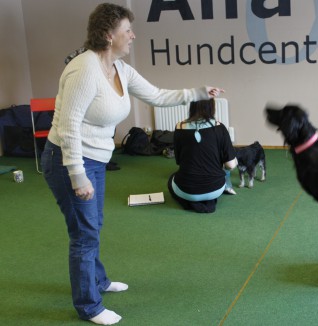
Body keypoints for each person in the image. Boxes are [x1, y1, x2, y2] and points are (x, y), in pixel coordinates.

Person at [41, 3, 224, 325]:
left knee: (91, 227)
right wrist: (77, 175)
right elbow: (68, 126)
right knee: (84, 234)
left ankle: (97, 282)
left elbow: (156, 95)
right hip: (68, 159)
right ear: (109, 35)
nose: (133, 36)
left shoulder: (121, 70)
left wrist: (198, 92)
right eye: (128, 30)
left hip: (94, 158)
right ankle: (89, 306)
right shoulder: (85, 70)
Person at [168, 99, 237, 213]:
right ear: (212, 107)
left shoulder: (179, 127)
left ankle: (193, 202)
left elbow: (179, 161)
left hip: (187, 190)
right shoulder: (220, 127)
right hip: (216, 189)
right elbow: (230, 165)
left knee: (172, 178)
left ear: (192, 106)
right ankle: (208, 200)